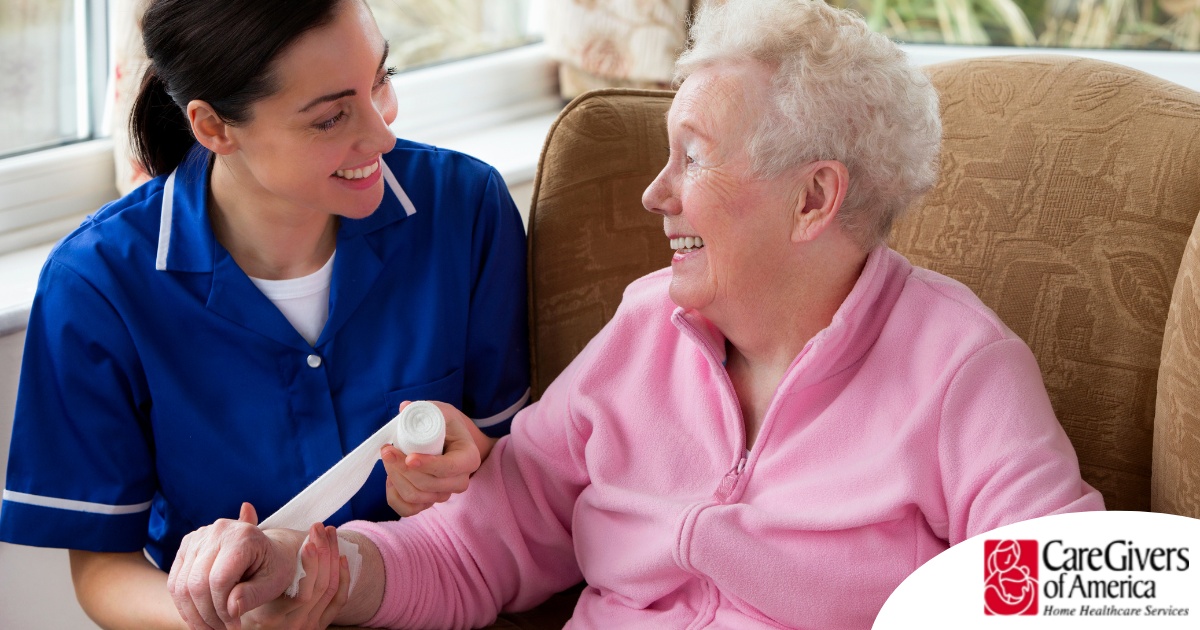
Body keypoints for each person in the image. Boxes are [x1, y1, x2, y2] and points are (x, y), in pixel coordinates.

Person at [169, 0, 1106, 628]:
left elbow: (1068, 596)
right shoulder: (644, 329)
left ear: (814, 199)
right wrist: (312, 570)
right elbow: (476, 547)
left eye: (691, 158)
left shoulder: (957, 368)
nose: (655, 194)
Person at [0, 0, 530, 627]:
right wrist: (231, 623)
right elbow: (101, 572)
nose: (382, 134)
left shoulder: (464, 209)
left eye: (380, 80)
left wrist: (473, 458)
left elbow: (526, 462)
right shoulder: (96, 286)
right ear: (214, 126)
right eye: (331, 117)